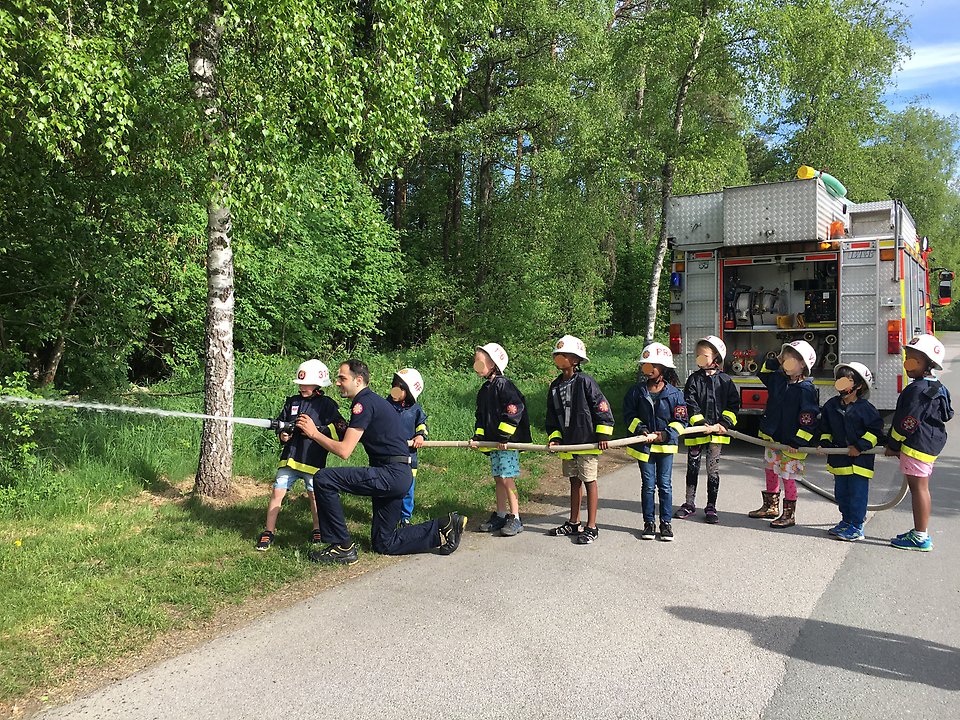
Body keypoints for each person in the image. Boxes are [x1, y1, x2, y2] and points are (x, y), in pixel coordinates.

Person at [297, 359, 467, 565]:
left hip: (390, 474)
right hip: (399, 474)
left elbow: (344, 451)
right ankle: (444, 524)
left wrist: (314, 433)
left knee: (323, 478)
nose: (337, 383)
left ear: (358, 380)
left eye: (342, 378)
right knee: (384, 543)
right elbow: (355, 435)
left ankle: (342, 546)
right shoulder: (373, 401)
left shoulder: (363, 404)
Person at [256, 360, 346, 551]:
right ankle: (268, 531)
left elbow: (340, 428)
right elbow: (282, 422)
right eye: (300, 384)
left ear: (318, 385)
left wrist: (317, 430)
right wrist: (283, 434)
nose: (302, 387)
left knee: (314, 496)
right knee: (277, 492)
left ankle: (318, 529)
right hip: (289, 458)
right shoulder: (292, 402)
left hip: (312, 460)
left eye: (306, 384)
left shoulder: (327, 405)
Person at [885, 334, 954, 551]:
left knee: (919, 489)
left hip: (917, 446)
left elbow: (908, 422)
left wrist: (894, 444)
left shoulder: (917, 390)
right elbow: (947, 413)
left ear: (928, 364)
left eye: (913, 359)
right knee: (919, 488)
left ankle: (920, 536)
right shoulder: (936, 386)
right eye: (907, 357)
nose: (907, 363)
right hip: (929, 442)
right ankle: (919, 532)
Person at [545, 335, 615, 544]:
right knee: (573, 481)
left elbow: (601, 407)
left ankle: (591, 526)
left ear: (575, 360)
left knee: (589, 481)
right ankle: (573, 522)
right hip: (568, 443)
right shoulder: (555, 386)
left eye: (563, 355)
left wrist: (602, 435)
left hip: (586, 441)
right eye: (557, 355)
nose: (559, 358)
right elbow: (552, 417)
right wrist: (556, 439)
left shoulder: (586, 382)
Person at [750, 340, 820, 529]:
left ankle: (789, 514)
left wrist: (798, 440)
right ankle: (771, 506)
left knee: (788, 477)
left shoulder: (806, 389)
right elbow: (763, 373)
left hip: (791, 442)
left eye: (790, 362)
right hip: (773, 437)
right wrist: (775, 360)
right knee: (770, 470)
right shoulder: (779, 380)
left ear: (803, 364)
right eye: (784, 361)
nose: (785, 365)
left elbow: (809, 418)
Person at [623, 342, 687, 542]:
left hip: (665, 446)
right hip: (645, 447)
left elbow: (681, 421)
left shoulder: (675, 395)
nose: (648, 369)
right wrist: (640, 428)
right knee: (648, 485)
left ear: (663, 368)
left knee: (665, 485)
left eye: (652, 365)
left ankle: (666, 523)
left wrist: (666, 434)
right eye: (646, 365)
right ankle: (649, 523)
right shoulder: (636, 392)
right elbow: (629, 415)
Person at [470, 342, 532, 537]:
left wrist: (504, 435)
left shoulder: (504, 385)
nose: (476, 366)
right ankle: (501, 514)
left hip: (506, 444)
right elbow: (481, 417)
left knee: (507, 478)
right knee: (498, 478)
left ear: (493, 364)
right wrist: (479, 436)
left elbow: (514, 409)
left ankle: (516, 517)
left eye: (480, 363)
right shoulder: (484, 390)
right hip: (495, 444)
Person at [677, 335, 739, 524]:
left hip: (717, 434)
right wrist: (699, 422)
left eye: (704, 356)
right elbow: (689, 402)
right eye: (698, 356)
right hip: (697, 432)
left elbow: (734, 405)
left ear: (717, 358)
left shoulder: (726, 381)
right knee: (692, 468)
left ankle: (711, 506)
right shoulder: (693, 380)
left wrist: (725, 423)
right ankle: (689, 503)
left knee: (713, 471)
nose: (700, 359)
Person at [819, 362, 884, 542]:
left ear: (859, 385)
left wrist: (860, 446)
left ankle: (856, 526)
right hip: (839, 461)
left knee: (857, 495)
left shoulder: (866, 409)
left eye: (846, 381)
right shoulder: (831, 406)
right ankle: (846, 521)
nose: (840, 384)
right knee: (841, 494)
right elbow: (825, 428)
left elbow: (876, 432)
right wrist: (824, 443)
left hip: (859, 463)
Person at [388, 367, 429, 526]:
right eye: (394, 385)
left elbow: (422, 425)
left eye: (400, 388)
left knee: (407, 489)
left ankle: (405, 517)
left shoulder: (415, 410)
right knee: (390, 488)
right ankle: (390, 515)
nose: (395, 390)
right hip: (389, 454)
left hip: (409, 456)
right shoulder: (386, 405)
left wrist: (420, 436)